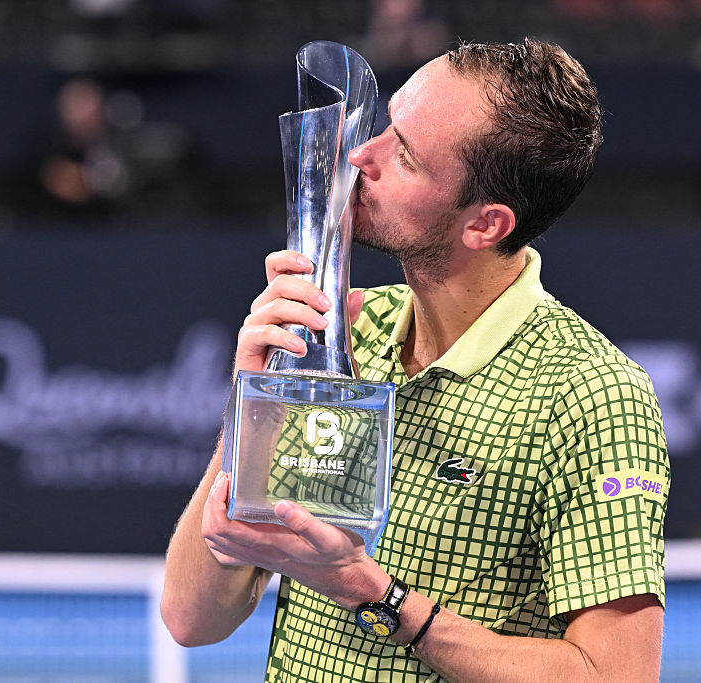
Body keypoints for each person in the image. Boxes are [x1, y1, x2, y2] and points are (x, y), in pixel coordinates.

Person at [161, 38, 669, 682]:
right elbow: (190, 619)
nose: (359, 157)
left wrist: (373, 593)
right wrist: (248, 408)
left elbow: (615, 676)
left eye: (404, 156)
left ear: (485, 225)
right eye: (386, 125)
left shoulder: (592, 396)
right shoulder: (344, 331)